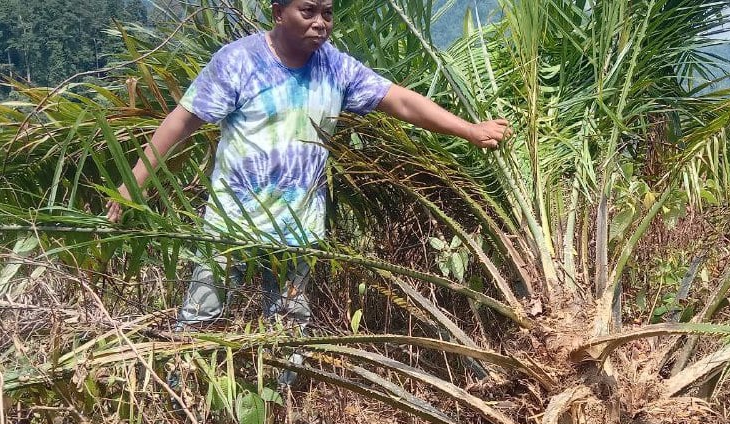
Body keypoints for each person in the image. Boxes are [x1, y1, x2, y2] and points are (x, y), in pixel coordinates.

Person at [106, 0, 509, 385]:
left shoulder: (334, 66)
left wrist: (469, 131)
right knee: (200, 318)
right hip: (231, 226)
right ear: (279, 13)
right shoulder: (239, 61)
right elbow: (183, 120)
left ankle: (278, 414)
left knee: (288, 333)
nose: (320, 22)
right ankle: (182, 400)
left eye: (328, 13)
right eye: (308, 11)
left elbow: (399, 100)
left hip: (297, 230)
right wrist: (133, 181)